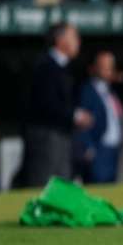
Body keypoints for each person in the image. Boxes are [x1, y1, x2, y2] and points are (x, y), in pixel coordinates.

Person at [18, 23, 93, 188]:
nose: (78, 42)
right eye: (74, 37)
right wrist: (75, 115)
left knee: (61, 185)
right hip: (45, 136)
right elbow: (45, 104)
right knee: (44, 184)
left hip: (61, 134)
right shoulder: (44, 66)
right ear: (60, 40)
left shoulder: (64, 68)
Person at [75, 50, 123, 184]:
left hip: (113, 148)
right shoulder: (87, 91)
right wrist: (88, 146)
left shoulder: (111, 91)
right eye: (104, 66)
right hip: (98, 149)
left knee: (110, 186)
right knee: (97, 187)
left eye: (111, 66)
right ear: (93, 68)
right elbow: (82, 122)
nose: (108, 70)